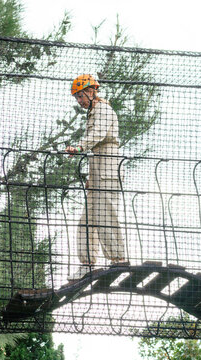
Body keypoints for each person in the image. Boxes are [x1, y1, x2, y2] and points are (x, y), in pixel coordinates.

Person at [65, 74, 127, 281]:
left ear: (91, 92)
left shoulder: (103, 109)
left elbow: (98, 134)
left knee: (105, 213)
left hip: (108, 163)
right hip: (97, 164)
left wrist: (80, 146)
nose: (79, 101)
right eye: (77, 98)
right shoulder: (93, 112)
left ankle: (118, 259)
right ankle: (87, 263)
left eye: (81, 96)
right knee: (87, 218)